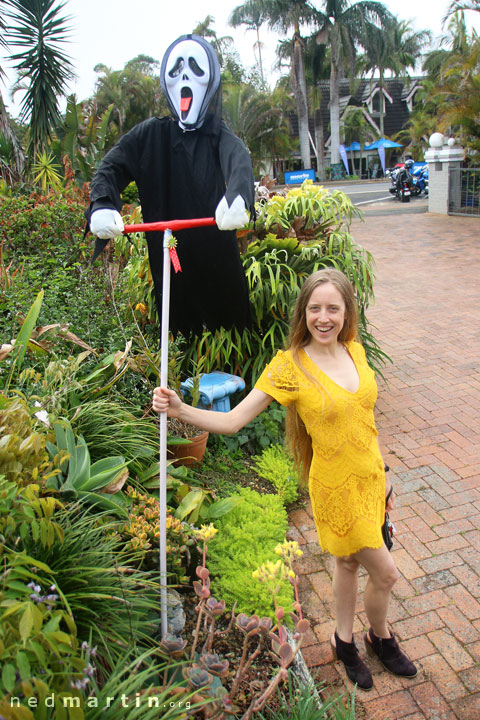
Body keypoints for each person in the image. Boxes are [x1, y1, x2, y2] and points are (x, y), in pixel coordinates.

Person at [152, 267, 417, 690]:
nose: (324, 318)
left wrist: (383, 475)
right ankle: (381, 639)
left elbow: (366, 423)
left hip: (370, 480)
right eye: (315, 309)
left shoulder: (355, 351)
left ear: (347, 311)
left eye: (333, 308)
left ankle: (344, 642)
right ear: (303, 313)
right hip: (335, 490)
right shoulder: (290, 367)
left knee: (348, 563)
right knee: (386, 574)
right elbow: (236, 420)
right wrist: (181, 410)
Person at [86, 34, 254, 337]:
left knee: (229, 338)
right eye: (176, 69)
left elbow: (238, 159)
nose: (185, 76)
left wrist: (238, 195)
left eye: (194, 67)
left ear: (211, 79)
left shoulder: (217, 134)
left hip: (218, 268)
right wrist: (102, 202)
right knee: (177, 341)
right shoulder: (151, 136)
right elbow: (110, 166)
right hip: (169, 263)